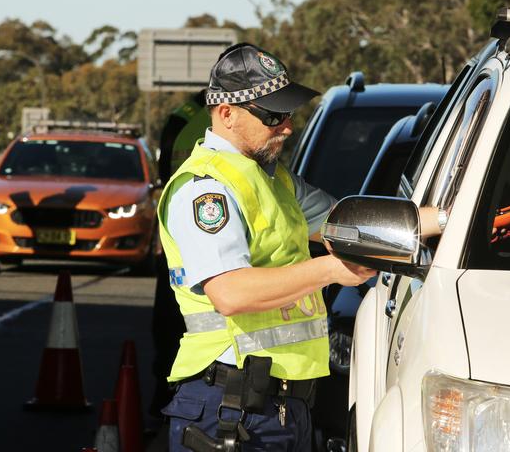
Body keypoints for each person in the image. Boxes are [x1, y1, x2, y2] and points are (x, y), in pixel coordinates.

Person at [156, 43, 379, 450]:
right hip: (230, 407)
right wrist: (331, 270)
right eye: (273, 115)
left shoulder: (276, 180)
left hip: (280, 407)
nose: (288, 126)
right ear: (227, 114)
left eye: (289, 113)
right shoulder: (205, 190)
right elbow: (230, 293)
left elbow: (352, 225)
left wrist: (449, 216)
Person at [150, 89, 210, 418]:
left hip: (176, 233)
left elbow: (163, 171)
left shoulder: (182, 115)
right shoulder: (245, 116)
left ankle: (162, 397)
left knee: (170, 321)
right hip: (227, 234)